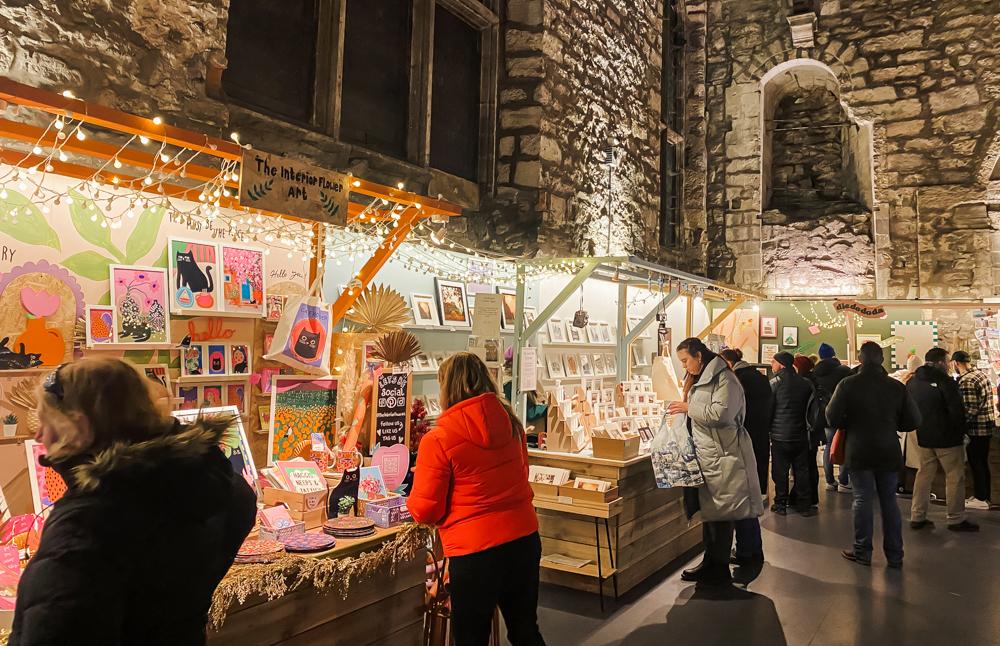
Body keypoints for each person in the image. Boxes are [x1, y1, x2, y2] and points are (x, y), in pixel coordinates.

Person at [10, 358, 256, 645]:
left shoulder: (89, 523)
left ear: (78, 427)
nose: (38, 435)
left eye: (45, 422)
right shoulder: (210, 480)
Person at [408, 352, 545, 646]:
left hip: (475, 553)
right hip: (523, 539)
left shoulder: (438, 438)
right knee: (525, 630)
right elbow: (522, 474)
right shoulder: (512, 424)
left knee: (471, 638)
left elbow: (425, 510)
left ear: (446, 387)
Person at [668, 338, 763, 590]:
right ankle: (711, 562)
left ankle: (719, 567)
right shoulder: (705, 378)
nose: (685, 367)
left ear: (699, 356)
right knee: (712, 513)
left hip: (724, 455)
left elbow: (721, 414)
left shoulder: (726, 379)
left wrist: (688, 407)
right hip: (709, 454)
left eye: (686, 360)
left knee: (722, 513)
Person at [826, 342, 921, 568]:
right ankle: (895, 554)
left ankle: (862, 551)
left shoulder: (848, 384)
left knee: (862, 499)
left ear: (860, 358)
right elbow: (914, 420)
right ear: (881, 360)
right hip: (888, 449)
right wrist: (892, 423)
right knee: (889, 501)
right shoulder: (895, 387)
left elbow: (831, 417)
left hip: (858, 449)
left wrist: (850, 422)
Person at [906, 348, 978, 532]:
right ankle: (955, 518)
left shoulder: (913, 382)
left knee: (924, 474)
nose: (949, 365)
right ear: (940, 362)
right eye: (947, 361)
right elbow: (956, 412)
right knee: (955, 477)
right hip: (947, 438)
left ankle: (917, 515)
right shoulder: (946, 382)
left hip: (923, 436)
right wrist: (962, 432)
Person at [716, 348, 769, 585]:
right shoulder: (760, 377)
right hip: (756, 438)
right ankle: (750, 548)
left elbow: (724, 415)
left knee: (739, 501)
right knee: (746, 499)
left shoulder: (734, 382)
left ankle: (746, 550)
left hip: (736, 444)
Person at [720, 348, 772, 500]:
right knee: (760, 458)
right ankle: (761, 491)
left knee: (744, 462)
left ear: (729, 362)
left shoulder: (736, 379)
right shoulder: (759, 376)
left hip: (744, 426)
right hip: (762, 425)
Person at [769, 352, 815, 516]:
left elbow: (770, 409)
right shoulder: (805, 383)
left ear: (781, 364)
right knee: (801, 471)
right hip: (801, 434)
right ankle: (804, 505)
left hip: (779, 435)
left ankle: (781, 504)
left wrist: (769, 429)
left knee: (780, 471)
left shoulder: (774, 383)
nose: (771, 366)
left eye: (773, 362)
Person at [953, 350, 995, 510]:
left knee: (976, 462)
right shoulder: (980, 375)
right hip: (987, 427)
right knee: (982, 462)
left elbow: (970, 409)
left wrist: (959, 425)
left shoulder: (967, 381)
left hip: (977, 429)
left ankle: (981, 497)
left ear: (955, 363)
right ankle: (985, 496)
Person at [813, 343, 852, 492]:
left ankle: (830, 481)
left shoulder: (815, 372)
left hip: (823, 415)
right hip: (842, 414)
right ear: (834, 354)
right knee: (843, 444)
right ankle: (844, 480)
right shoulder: (844, 371)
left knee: (829, 446)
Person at [502, 347, 547, 447]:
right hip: (528, 435)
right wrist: (547, 407)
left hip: (528, 433)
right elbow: (529, 412)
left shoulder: (515, 381)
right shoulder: (511, 384)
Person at [793, 354, 820, 508]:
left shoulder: (804, 383)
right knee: (810, 464)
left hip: (806, 430)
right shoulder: (814, 380)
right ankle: (812, 498)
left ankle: (804, 498)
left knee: (804, 465)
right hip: (813, 431)